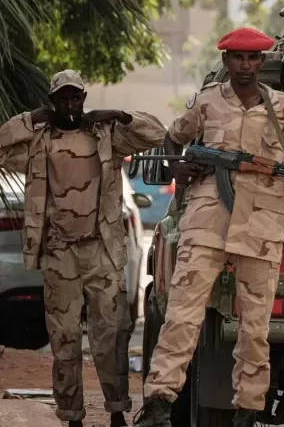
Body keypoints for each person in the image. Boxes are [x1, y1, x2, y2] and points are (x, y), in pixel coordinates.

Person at [135, 27, 284, 427]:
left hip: (262, 220)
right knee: (182, 315)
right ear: (226, 60)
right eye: (237, 57)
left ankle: (248, 410)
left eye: (252, 58)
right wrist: (177, 167)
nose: (245, 65)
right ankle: (159, 403)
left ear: (262, 61)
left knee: (255, 327)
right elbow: (173, 138)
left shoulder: (282, 107)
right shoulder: (206, 100)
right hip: (207, 218)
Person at [0, 70, 167, 427]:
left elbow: (157, 134)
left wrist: (118, 114)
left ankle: (117, 411)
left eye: (75, 98)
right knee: (65, 339)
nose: (70, 105)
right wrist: (28, 119)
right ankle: (72, 416)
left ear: (84, 100)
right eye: (62, 99)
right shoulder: (39, 140)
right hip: (59, 253)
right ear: (53, 102)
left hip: (101, 252)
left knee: (111, 335)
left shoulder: (106, 136)